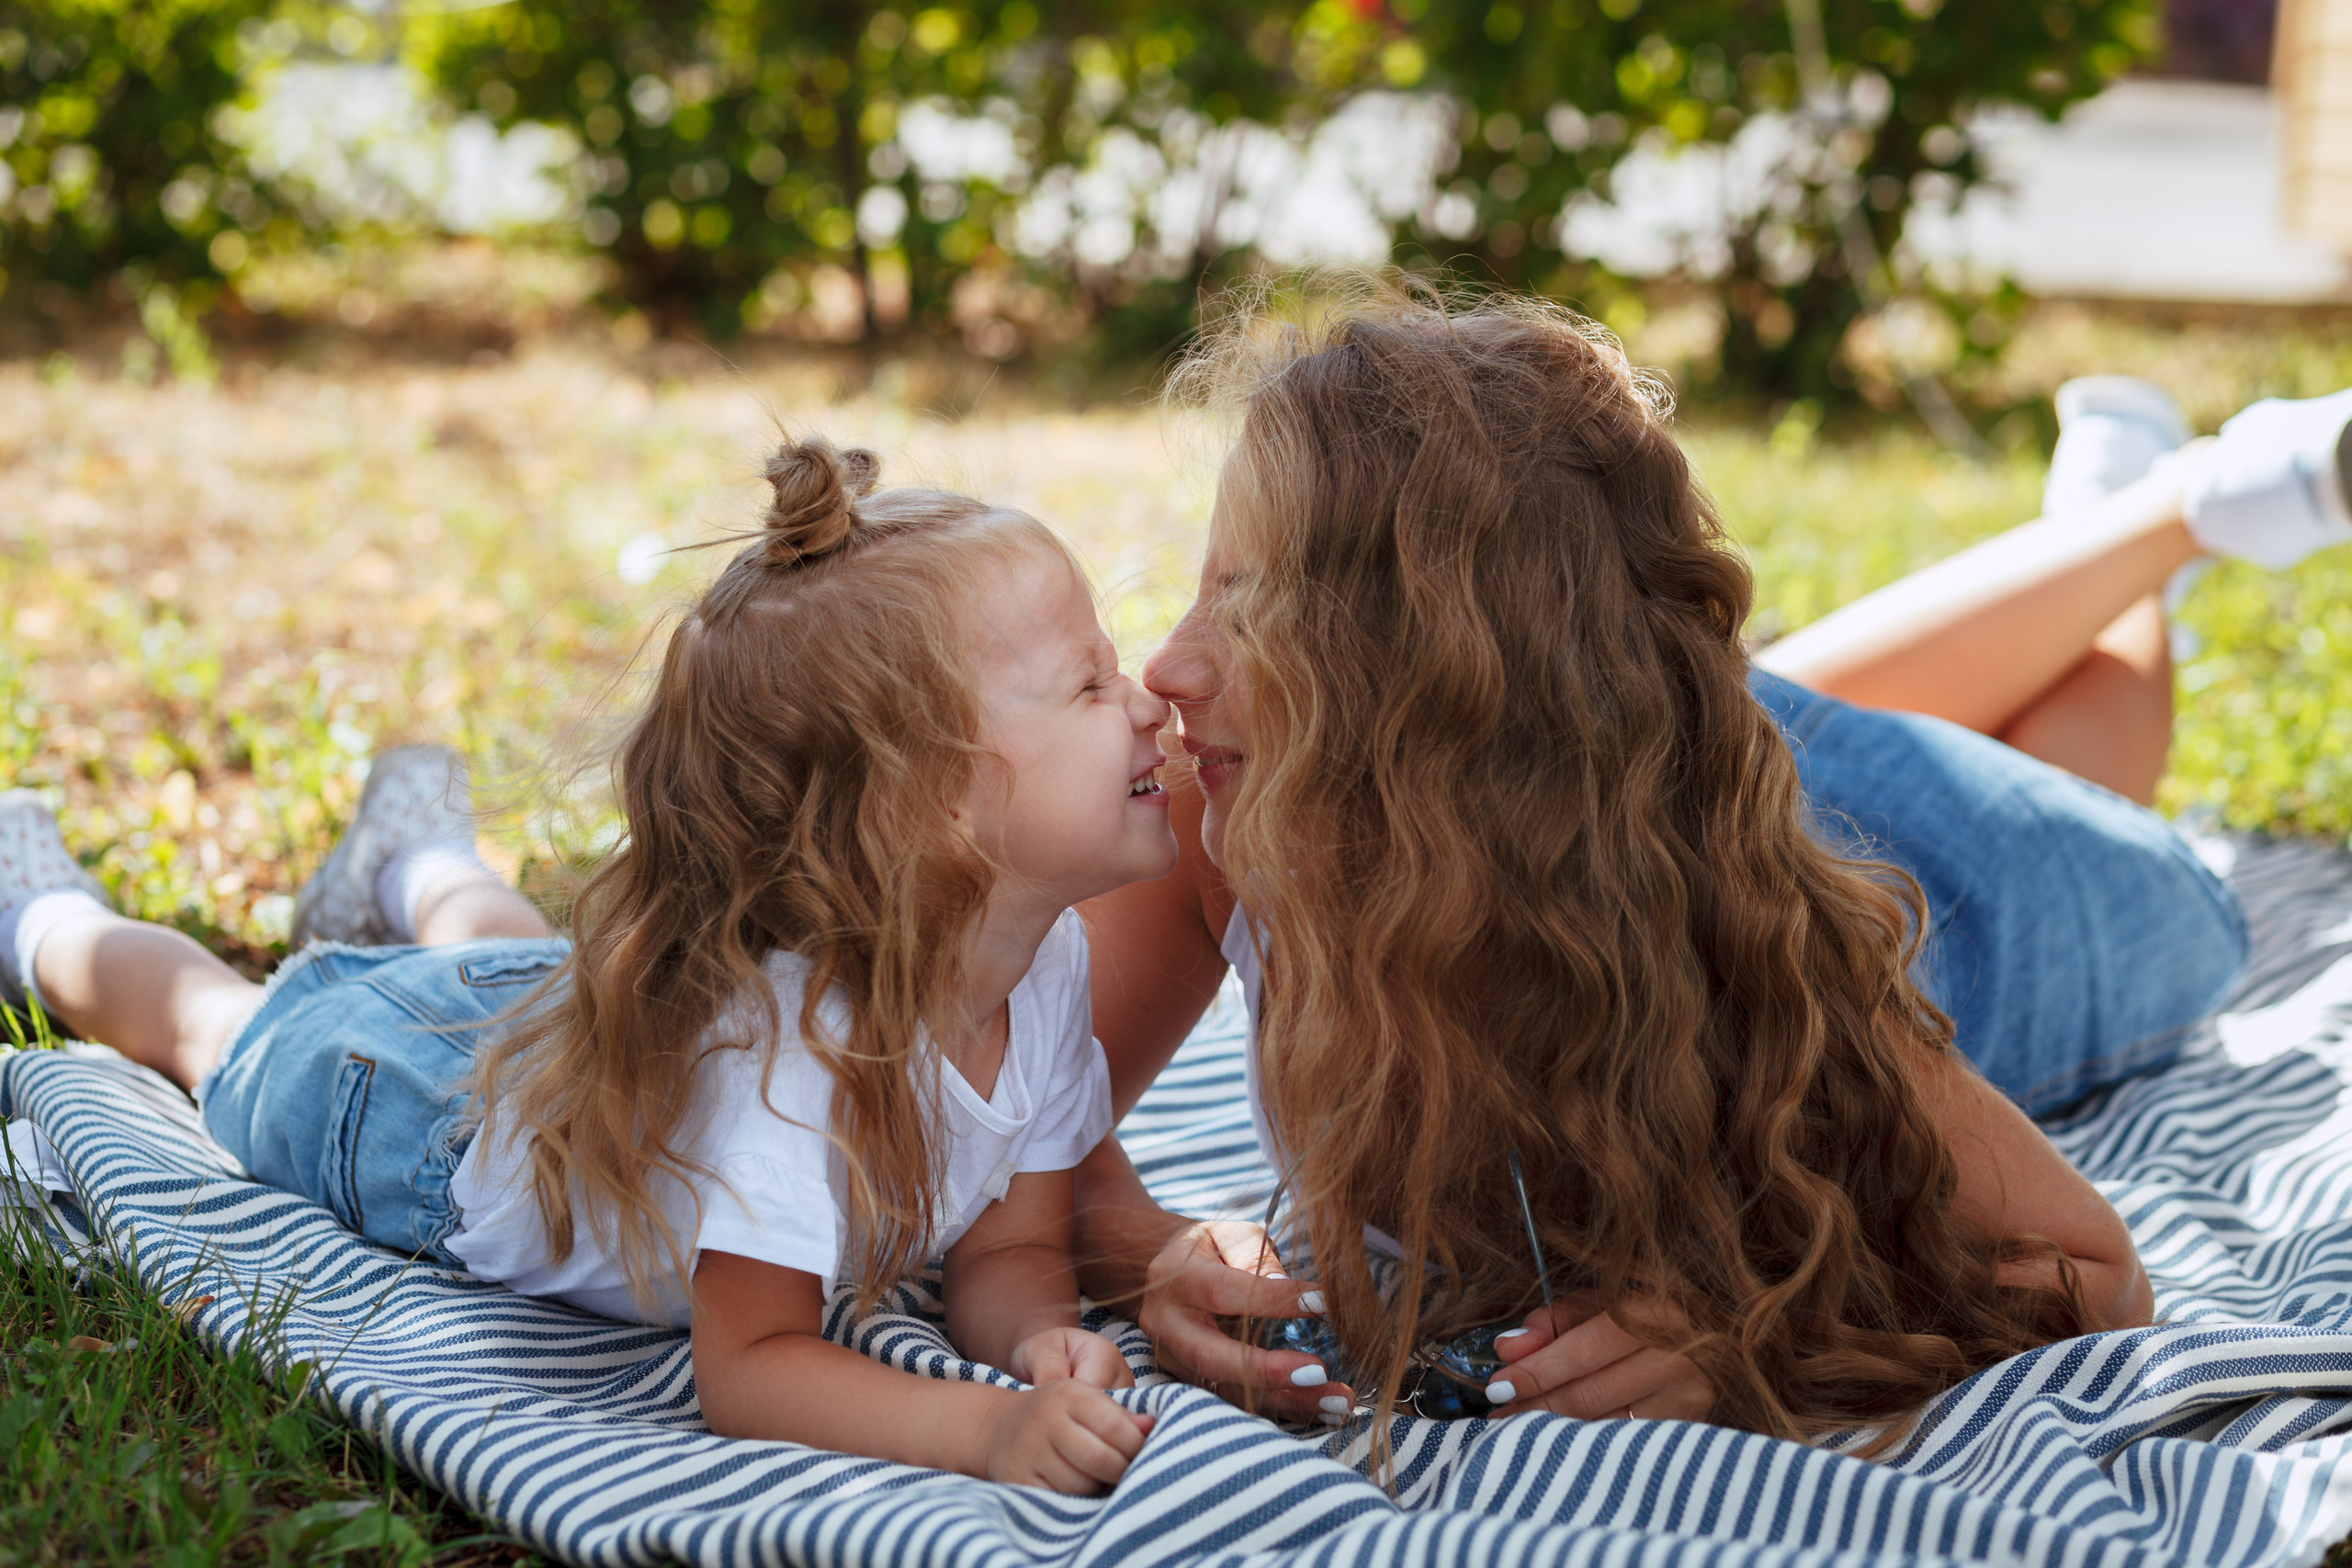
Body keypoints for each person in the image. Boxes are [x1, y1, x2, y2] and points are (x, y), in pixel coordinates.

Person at [1064, 276, 2352, 1449]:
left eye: (1249, 605)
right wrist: (1150, 1247)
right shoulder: (1241, 798)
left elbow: (2094, 1270)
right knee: (1751, 708)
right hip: (1663, 758)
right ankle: (2138, 509)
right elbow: (1035, 1120)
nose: (1165, 666)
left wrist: (1751, 1341)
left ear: (1435, 698)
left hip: (1966, 908)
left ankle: (2162, 519)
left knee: (2113, 817)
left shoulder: (1758, 935)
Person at [0, 438, 1180, 1496]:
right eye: (1089, 684)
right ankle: (41, 917)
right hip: (430, 1121)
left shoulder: (1043, 959)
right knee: (219, 1022)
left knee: (524, 963)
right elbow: (754, 1368)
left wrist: (1033, 1343)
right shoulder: (794, 1053)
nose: (1143, 703)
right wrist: (981, 1431)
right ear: (931, 808)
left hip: (573, 1038)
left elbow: (1011, 1249)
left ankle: (412, 861)